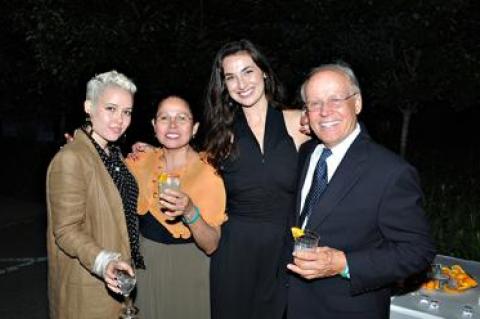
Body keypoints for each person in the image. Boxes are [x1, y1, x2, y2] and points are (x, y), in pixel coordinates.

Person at [286, 62, 436, 319]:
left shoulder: (390, 171)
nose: (324, 111)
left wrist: (344, 264)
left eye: (335, 99)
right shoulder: (307, 152)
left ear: (357, 103)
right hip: (295, 304)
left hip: (349, 310)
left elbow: (417, 250)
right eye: (315, 103)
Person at [203, 39, 309, 319]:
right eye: (230, 77)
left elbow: (345, 147)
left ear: (264, 72)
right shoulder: (222, 136)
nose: (241, 83)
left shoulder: (299, 123)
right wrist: (156, 153)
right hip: (234, 253)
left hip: (285, 251)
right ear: (224, 85)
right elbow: (192, 166)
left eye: (247, 71)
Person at [46, 70, 143, 318]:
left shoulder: (114, 155)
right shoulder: (71, 158)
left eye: (127, 112)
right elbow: (66, 230)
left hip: (119, 286)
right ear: (89, 107)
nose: (119, 119)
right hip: (89, 291)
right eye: (110, 108)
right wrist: (105, 262)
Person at [124, 95, 226, 319]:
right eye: (164, 118)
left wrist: (190, 211)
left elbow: (211, 245)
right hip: (145, 264)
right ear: (154, 126)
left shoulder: (209, 172)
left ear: (195, 128)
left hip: (188, 269)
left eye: (182, 118)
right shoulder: (140, 160)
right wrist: (88, 150)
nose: (172, 125)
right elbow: (106, 176)